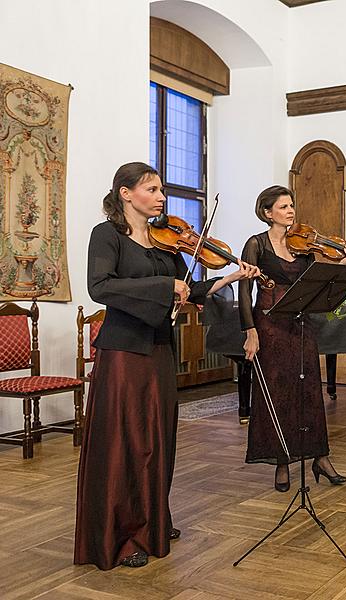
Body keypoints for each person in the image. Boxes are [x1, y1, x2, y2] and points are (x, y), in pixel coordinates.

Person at [75, 162, 258, 570]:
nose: (161, 197)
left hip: (159, 349)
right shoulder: (107, 236)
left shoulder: (166, 244)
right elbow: (99, 287)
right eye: (152, 189)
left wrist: (227, 279)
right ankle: (122, 535)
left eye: (161, 190)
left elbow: (188, 289)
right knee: (127, 442)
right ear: (125, 193)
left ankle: (152, 519)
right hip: (123, 352)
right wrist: (164, 286)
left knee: (158, 440)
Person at [240, 185, 346, 492]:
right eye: (283, 207)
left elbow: (316, 281)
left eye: (291, 205)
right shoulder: (255, 244)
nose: (291, 211)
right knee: (277, 395)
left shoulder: (304, 247)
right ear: (267, 213)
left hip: (302, 325)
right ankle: (282, 462)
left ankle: (320, 457)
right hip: (269, 326)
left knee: (309, 391)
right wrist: (250, 331)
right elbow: (245, 292)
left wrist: (342, 266)